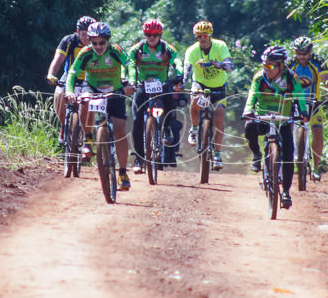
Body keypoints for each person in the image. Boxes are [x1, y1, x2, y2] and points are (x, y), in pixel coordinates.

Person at [65, 22, 136, 191]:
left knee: (120, 128)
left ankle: (123, 173)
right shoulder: (85, 53)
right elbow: (73, 73)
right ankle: (89, 139)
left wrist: (131, 80)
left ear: (107, 41)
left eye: (101, 43)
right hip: (93, 87)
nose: (97, 46)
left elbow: (130, 64)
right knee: (85, 101)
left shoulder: (116, 51)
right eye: (94, 43)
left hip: (115, 88)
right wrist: (69, 91)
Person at [242, 45, 306, 209]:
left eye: (270, 66)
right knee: (249, 127)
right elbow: (252, 96)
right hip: (263, 118)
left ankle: (285, 192)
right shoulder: (259, 78)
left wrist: (303, 112)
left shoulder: (291, 78)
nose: (266, 69)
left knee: (289, 155)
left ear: (281, 66)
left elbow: (299, 96)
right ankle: (257, 155)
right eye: (264, 65)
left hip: (283, 120)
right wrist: (248, 110)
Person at [126, 19, 182, 173]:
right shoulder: (136, 50)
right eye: (148, 34)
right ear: (144, 34)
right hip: (143, 85)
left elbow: (177, 60)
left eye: (155, 34)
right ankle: (139, 158)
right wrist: (131, 81)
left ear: (160, 34)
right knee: (137, 119)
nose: (152, 37)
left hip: (162, 84)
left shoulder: (167, 49)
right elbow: (131, 65)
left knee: (170, 102)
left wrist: (179, 73)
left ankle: (167, 128)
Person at [183, 20, 234, 170]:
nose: (203, 39)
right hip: (200, 84)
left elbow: (230, 66)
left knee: (218, 117)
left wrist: (215, 63)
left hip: (219, 86)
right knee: (195, 101)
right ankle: (193, 129)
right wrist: (181, 83)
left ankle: (217, 154)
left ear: (210, 35)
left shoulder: (220, 46)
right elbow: (187, 70)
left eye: (205, 35)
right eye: (199, 36)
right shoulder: (192, 51)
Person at [288, 36, 328, 181]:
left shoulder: (318, 62)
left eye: (305, 54)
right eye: (299, 53)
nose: (302, 57)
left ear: (310, 52)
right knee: (287, 128)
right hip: (294, 100)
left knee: (318, 131)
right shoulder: (290, 63)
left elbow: (326, 79)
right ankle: (287, 160)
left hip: (313, 100)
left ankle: (316, 168)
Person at [46, 16, 95, 143]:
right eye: (84, 35)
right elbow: (58, 59)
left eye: (90, 35)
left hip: (90, 78)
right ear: (78, 32)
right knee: (59, 94)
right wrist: (51, 74)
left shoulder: (97, 42)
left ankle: (87, 135)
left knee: (88, 103)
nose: (87, 38)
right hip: (70, 75)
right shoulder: (69, 40)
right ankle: (63, 126)